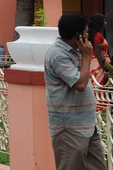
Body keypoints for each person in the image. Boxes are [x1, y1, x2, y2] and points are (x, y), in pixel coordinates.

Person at [44, 13, 105, 170]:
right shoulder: (57, 54)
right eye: (85, 32)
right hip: (69, 128)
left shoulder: (76, 51)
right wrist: (86, 56)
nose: (88, 36)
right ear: (77, 35)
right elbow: (80, 83)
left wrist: (83, 54)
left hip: (88, 126)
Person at [86, 14, 109, 87]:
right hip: (98, 66)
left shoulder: (96, 35)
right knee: (99, 88)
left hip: (94, 64)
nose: (105, 23)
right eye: (104, 21)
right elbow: (98, 54)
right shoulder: (97, 35)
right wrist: (104, 69)